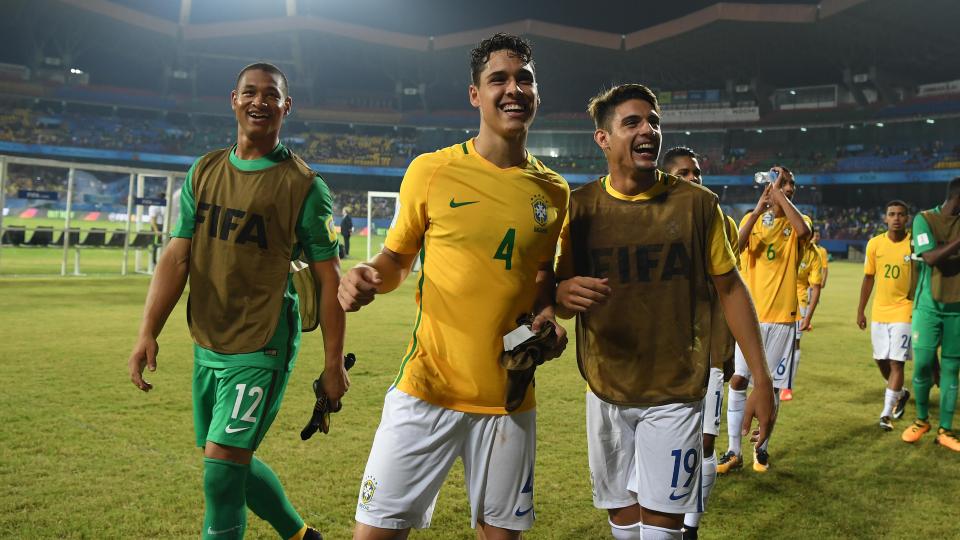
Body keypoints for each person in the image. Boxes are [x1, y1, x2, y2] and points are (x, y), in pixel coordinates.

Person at [338, 33, 569, 539]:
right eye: (499, 80)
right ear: (475, 94)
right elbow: (397, 259)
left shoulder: (554, 191)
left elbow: (540, 274)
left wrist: (547, 312)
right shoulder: (432, 170)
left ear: (537, 91)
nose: (514, 89)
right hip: (428, 389)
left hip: (509, 398)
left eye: (524, 79)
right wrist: (370, 275)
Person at [126, 63, 347, 540]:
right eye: (250, 92)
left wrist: (334, 364)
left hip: (262, 340)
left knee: (221, 470)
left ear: (287, 106)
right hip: (208, 338)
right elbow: (176, 257)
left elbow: (330, 282)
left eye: (271, 95)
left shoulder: (305, 187)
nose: (260, 102)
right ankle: (302, 535)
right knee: (222, 461)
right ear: (233, 99)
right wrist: (148, 330)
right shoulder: (204, 171)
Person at [555, 86, 774, 540]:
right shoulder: (579, 208)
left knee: (663, 528)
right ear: (602, 138)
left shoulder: (698, 205)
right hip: (606, 387)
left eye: (653, 121)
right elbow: (560, 296)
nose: (648, 130)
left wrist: (762, 379)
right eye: (632, 122)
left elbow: (731, 288)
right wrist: (560, 295)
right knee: (622, 521)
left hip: (675, 388)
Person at [661, 146, 740, 539]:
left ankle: (691, 526)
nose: (693, 179)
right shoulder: (651, 220)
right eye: (682, 174)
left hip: (706, 350)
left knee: (704, 442)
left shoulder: (720, 222)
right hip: (660, 354)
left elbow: (728, 290)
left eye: (697, 173)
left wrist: (725, 352)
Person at [719, 166, 811, 474]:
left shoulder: (800, 221)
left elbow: (803, 232)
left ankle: (762, 448)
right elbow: (736, 247)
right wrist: (759, 208)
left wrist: (780, 197)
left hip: (783, 319)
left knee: (769, 387)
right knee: (739, 379)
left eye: (789, 184)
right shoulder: (752, 219)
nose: (787, 187)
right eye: (782, 182)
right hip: (751, 318)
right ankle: (733, 449)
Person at [901, 177, 960, 451]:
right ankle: (921, 420)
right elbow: (931, 257)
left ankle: (945, 430)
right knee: (923, 364)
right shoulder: (924, 220)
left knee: (951, 369)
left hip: (957, 310)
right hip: (928, 307)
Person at [856, 200, 913, 431]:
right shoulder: (875, 244)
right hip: (880, 310)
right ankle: (901, 393)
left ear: (907, 218)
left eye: (901, 214)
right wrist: (861, 310)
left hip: (905, 309)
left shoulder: (913, 244)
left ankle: (886, 414)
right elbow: (869, 278)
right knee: (880, 360)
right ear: (885, 218)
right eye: (892, 214)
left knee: (896, 362)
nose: (896, 218)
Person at [781, 237, 823, 402]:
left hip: (799, 301)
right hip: (776, 299)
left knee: (794, 343)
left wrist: (808, 317)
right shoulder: (786, 243)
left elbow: (816, 286)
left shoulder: (814, 254)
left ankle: (787, 386)